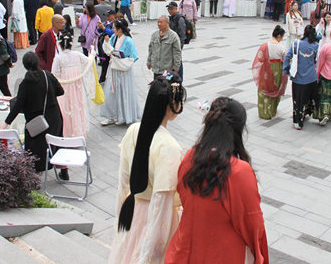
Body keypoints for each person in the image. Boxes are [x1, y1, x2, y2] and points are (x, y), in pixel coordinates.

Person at [166, 97, 268, 264]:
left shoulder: (190, 157)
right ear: (238, 131)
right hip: (224, 253)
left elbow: (184, 198)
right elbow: (252, 223)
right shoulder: (239, 171)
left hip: (187, 248)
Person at [109, 73, 186, 263]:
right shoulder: (169, 146)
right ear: (172, 105)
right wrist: (150, 255)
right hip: (154, 218)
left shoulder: (133, 130)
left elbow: (123, 181)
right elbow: (161, 204)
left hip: (133, 210)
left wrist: (119, 217)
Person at [2, 52, 64, 174]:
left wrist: (6, 123)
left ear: (25, 65)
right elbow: (60, 91)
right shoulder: (47, 75)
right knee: (57, 143)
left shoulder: (25, 83)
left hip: (36, 121)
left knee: (36, 149)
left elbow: (18, 105)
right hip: (54, 117)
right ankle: (63, 170)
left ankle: (37, 174)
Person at [52, 31, 95, 138]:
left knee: (66, 108)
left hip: (65, 87)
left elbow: (54, 73)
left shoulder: (58, 58)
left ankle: (67, 132)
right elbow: (88, 62)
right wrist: (92, 52)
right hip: (77, 86)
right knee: (77, 105)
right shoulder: (77, 55)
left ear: (60, 44)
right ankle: (78, 131)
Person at [101, 19, 142, 126]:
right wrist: (106, 42)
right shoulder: (113, 38)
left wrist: (117, 57)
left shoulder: (128, 40)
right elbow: (108, 51)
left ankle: (123, 116)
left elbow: (132, 57)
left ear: (120, 29)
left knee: (123, 92)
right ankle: (112, 115)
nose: (112, 30)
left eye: (114, 28)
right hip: (114, 68)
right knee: (111, 92)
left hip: (123, 70)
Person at [284, 24, 319, 130]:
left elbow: (287, 57)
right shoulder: (315, 45)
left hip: (298, 76)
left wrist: (286, 70)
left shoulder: (296, 43)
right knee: (310, 97)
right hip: (311, 77)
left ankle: (298, 121)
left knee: (298, 99)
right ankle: (310, 113)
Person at [253, 25, 288, 119]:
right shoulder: (281, 48)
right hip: (277, 69)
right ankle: (271, 110)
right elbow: (286, 60)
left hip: (265, 68)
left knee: (264, 88)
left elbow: (259, 58)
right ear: (279, 36)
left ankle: (262, 111)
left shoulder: (264, 46)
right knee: (274, 88)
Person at [147, 15, 182, 80]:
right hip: (156, 68)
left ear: (167, 23)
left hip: (167, 69)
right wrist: (149, 62)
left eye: (161, 22)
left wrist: (176, 66)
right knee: (157, 85)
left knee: (166, 85)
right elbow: (151, 49)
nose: (159, 24)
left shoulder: (173, 36)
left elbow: (177, 52)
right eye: (158, 22)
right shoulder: (154, 35)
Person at [97, 9, 116, 83]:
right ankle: (102, 77)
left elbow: (112, 33)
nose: (107, 17)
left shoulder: (115, 23)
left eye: (109, 16)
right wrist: (99, 27)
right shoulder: (106, 23)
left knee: (112, 63)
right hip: (104, 45)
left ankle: (112, 78)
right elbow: (100, 31)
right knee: (104, 63)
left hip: (111, 45)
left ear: (113, 15)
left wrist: (103, 28)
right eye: (107, 16)